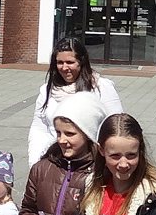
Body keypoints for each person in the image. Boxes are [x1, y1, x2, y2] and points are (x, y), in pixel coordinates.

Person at [27, 37, 124, 165]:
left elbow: (115, 125)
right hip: (54, 161)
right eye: (60, 62)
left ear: (81, 61)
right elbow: (39, 128)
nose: (64, 67)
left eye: (70, 62)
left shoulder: (101, 87)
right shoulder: (47, 91)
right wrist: (35, 162)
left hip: (90, 163)